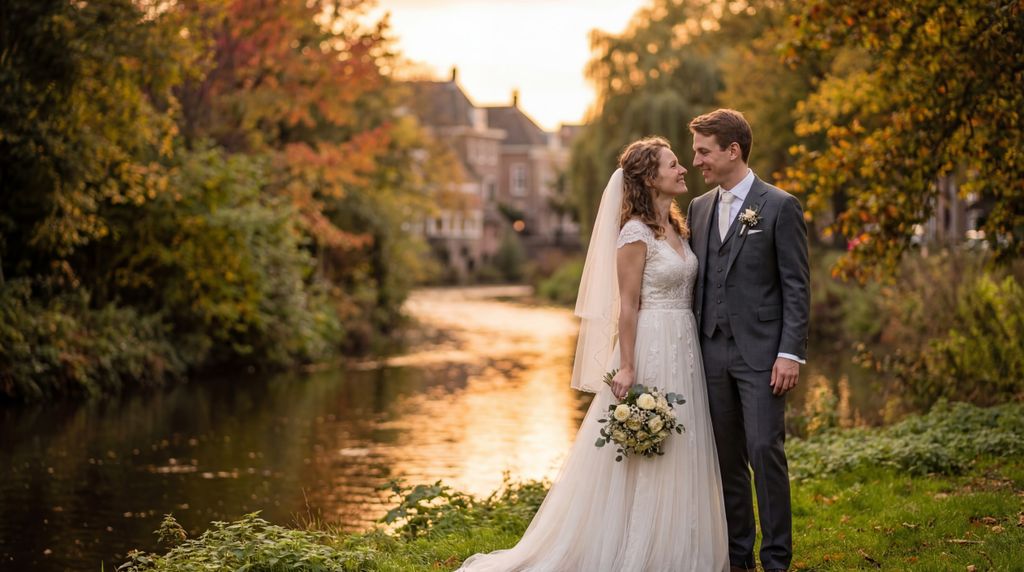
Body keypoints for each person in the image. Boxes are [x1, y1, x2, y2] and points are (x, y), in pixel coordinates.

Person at [456, 137, 728, 571]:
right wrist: (628, 365)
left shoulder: (678, 226)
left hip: (685, 345)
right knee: (644, 447)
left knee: (682, 442)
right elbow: (627, 304)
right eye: (673, 164)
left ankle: (676, 546)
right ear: (648, 178)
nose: (683, 170)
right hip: (652, 343)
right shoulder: (634, 233)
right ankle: (630, 547)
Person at [685, 109, 810, 572]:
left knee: (764, 451)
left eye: (703, 150)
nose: (695, 160)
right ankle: (740, 559)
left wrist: (790, 353)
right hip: (710, 350)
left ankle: (776, 559)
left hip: (762, 354)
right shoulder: (698, 208)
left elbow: (796, 285)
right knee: (726, 459)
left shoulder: (780, 205)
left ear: (731, 150)